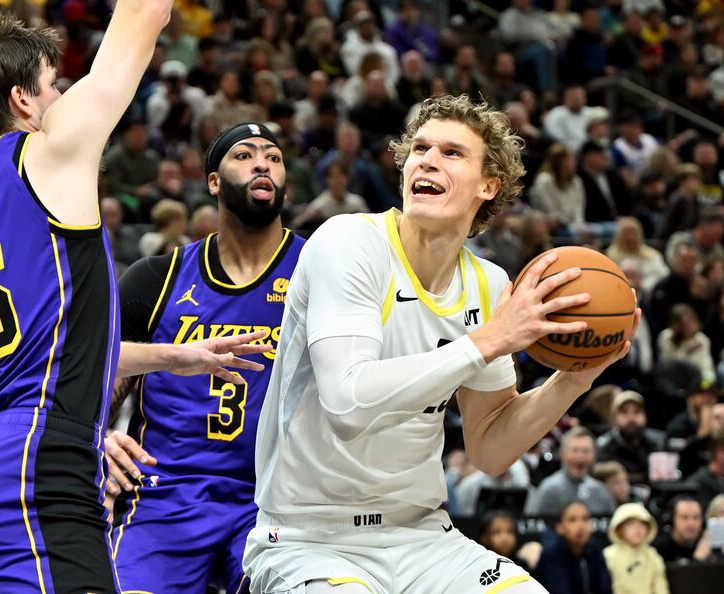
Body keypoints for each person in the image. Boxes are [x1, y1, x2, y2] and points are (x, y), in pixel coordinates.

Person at [0, 9, 266, 594]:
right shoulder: (45, 153)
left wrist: (174, 358)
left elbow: (44, 344)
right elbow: (141, 13)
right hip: (31, 464)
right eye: (55, 85)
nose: (63, 97)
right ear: (24, 102)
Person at [243, 94, 636, 593]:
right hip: (311, 539)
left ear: (488, 185)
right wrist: (487, 341)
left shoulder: (489, 285)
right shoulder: (348, 243)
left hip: (423, 536)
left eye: (452, 153)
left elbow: (490, 449)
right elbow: (347, 404)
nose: (427, 159)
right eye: (420, 148)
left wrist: (572, 380)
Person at [105, 122, 305, 594]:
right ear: (212, 181)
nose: (262, 163)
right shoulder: (156, 278)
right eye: (245, 155)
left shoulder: (320, 269)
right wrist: (96, 435)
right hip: (164, 493)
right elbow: (96, 370)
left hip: (274, 500)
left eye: (273, 158)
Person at [526, 426, 617, 516]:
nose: (580, 457)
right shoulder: (549, 490)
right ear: (562, 454)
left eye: (586, 451)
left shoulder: (601, 491)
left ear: (594, 455)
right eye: (575, 450)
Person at [533, 501, 613, 594]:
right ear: (560, 528)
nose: (581, 525)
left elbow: (605, 587)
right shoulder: (552, 553)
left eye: (585, 519)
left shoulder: (595, 548)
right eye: (572, 520)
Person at [604, 503, 669, 594]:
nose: (637, 529)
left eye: (642, 524)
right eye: (631, 524)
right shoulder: (608, 556)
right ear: (619, 529)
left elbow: (661, 587)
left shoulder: (653, 556)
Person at [654, 496, 705, 563]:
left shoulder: (708, 546)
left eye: (696, 517)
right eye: (684, 517)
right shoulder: (657, 550)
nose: (691, 523)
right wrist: (697, 560)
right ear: (672, 520)